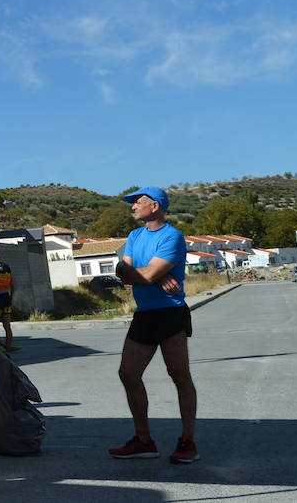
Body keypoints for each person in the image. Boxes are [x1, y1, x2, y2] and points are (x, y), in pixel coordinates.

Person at [108, 186, 198, 465]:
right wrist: (153, 277)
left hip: (170, 313)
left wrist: (143, 275)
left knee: (179, 375)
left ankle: (188, 442)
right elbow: (120, 271)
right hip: (145, 313)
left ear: (155, 206)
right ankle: (143, 440)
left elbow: (136, 273)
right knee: (128, 373)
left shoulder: (172, 237)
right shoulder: (134, 236)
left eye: (138, 202)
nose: (133, 207)